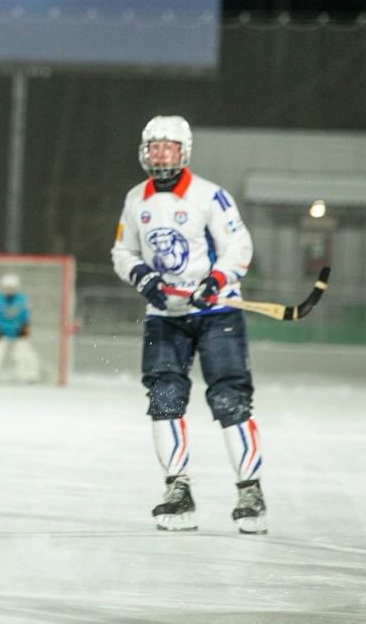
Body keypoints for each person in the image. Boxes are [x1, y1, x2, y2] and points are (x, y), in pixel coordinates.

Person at [110, 116, 264, 534]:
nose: (161, 153)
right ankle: (177, 488)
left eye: (169, 146)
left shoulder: (209, 196)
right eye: (154, 146)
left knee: (230, 399)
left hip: (217, 314)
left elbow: (239, 245)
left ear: (184, 152)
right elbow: (122, 251)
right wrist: (144, 278)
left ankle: (250, 491)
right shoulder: (135, 199)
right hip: (165, 317)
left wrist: (216, 280)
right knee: (164, 399)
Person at [0, 273, 40, 384]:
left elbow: (25, 314)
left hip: (18, 331)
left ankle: (28, 376)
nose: (9, 290)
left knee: (24, 353)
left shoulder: (22, 299)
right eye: (7, 287)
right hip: (0, 331)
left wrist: (24, 327)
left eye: (11, 288)